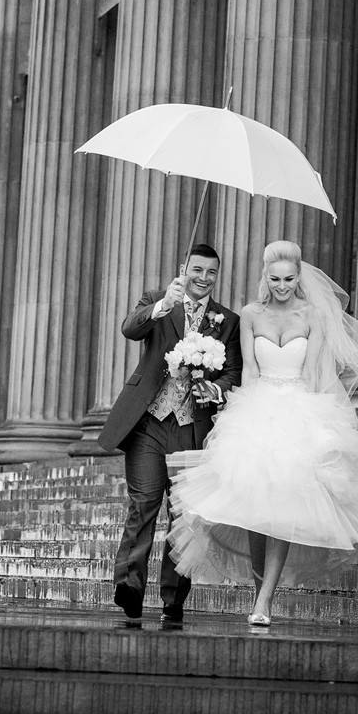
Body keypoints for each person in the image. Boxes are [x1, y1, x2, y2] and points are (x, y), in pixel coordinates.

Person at [168, 240, 358, 626]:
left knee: (286, 507)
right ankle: (260, 590)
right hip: (257, 405)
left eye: (289, 278)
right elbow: (251, 371)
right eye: (275, 279)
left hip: (298, 405)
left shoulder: (313, 316)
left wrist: (313, 421)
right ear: (265, 277)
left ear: (299, 277)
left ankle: (265, 600)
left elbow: (312, 374)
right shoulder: (250, 314)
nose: (282, 286)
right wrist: (240, 412)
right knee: (256, 507)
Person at [98, 244, 242, 625]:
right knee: (142, 505)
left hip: (190, 426)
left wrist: (214, 390)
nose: (203, 278)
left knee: (183, 516)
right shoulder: (158, 300)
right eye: (197, 269)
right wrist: (163, 304)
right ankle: (129, 587)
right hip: (148, 422)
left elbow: (233, 372)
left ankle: (173, 598)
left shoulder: (227, 320)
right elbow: (131, 328)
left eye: (211, 272)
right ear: (185, 268)